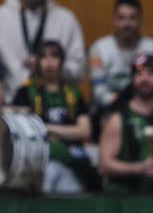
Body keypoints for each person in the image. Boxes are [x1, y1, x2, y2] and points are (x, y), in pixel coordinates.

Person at [11, 39, 93, 193]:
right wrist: (68, 131)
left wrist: (47, 128)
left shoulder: (73, 93)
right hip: (38, 163)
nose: (49, 62)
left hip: (70, 162)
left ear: (62, 61)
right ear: (37, 62)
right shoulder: (26, 91)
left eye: (54, 56)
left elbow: (85, 131)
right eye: (43, 57)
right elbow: (19, 126)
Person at [98, 53, 153, 193]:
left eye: (150, 73)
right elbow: (104, 166)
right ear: (133, 80)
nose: (144, 79)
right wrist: (139, 168)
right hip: (126, 206)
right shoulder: (119, 119)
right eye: (139, 74)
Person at [88, 0, 153, 113]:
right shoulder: (98, 48)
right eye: (121, 18)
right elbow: (99, 93)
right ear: (114, 20)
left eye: (132, 18)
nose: (127, 24)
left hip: (145, 109)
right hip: (107, 111)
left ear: (140, 20)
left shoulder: (152, 48)